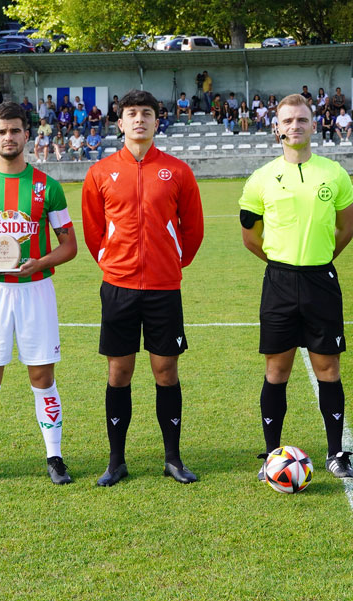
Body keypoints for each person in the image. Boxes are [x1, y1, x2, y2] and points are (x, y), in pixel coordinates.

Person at [80, 90, 205, 487]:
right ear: (120, 123)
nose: (139, 120)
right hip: (118, 286)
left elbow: (193, 229)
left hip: (164, 288)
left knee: (165, 370)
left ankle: (173, 458)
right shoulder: (100, 172)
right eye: (131, 114)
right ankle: (116, 461)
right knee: (119, 371)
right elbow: (93, 230)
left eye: (146, 113)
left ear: (156, 122)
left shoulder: (178, 171)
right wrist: (114, 261)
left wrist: (170, 262)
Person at [0, 101, 78, 487]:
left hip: (35, 290)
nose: (9, 137)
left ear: (28, 135)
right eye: (2, 131)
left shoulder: (47, 187)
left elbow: (69, 245)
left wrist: (39, 263)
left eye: (16, 130)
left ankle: (54, 457)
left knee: (41, 374)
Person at [238, 93, 353, 481]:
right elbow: (250, 237)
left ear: (313, 124)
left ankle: (336, 452)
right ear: (277, 128)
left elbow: (346, 230)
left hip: (321, 279)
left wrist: (317, 260)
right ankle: (272, 454)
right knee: (277, 368)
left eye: (301, 119)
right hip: (279, 282)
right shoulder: (260, 178)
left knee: (328, 367)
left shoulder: (334, 173)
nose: (295, 126)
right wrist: (282, 263)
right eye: (287, 121)